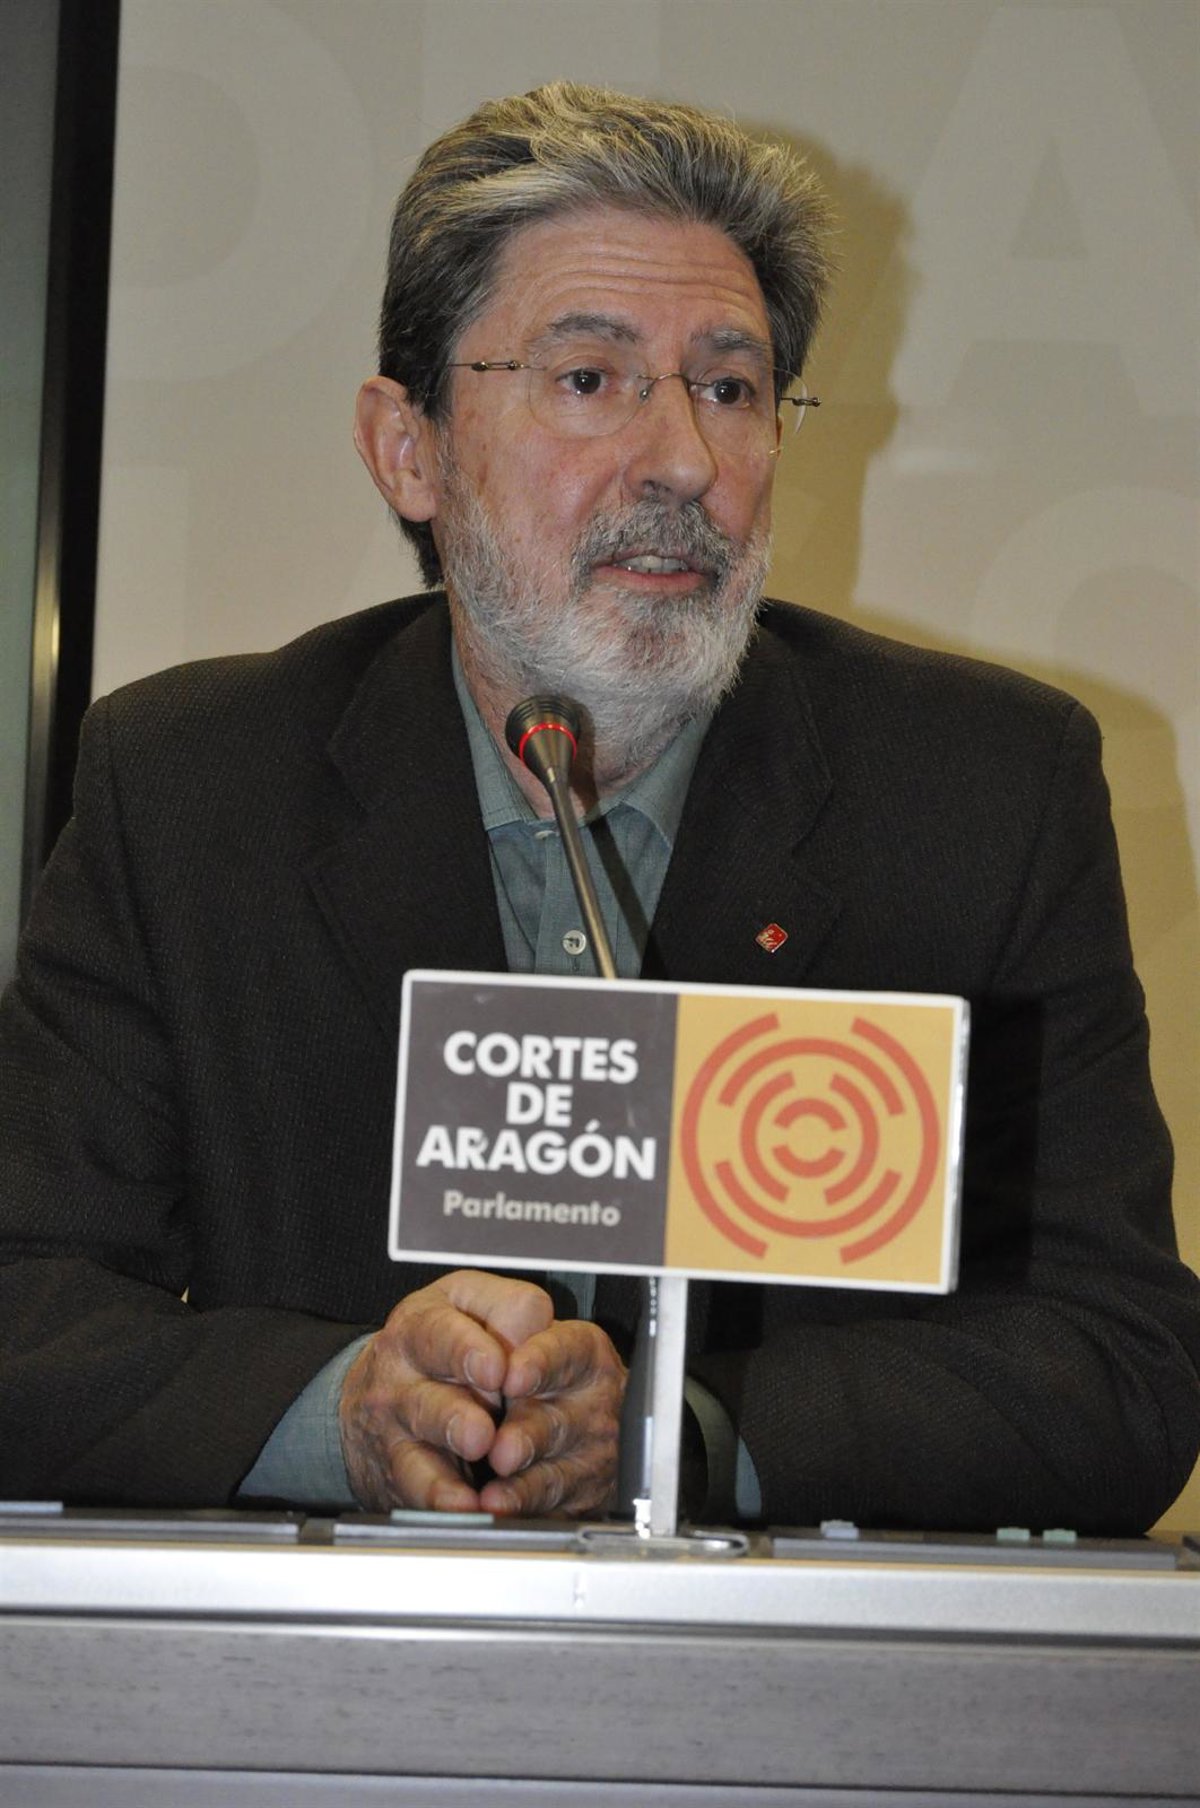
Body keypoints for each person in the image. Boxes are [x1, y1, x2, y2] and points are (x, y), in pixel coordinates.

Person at [1, 84, 1197, 1533]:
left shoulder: (978, 795)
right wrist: (345, 1416)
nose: (686, 460)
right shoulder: (192, 790)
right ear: (409, 447)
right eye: (589, 378)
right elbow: (28, 1308)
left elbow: (1118, 1368)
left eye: (732, 387)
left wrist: (679, 1436)